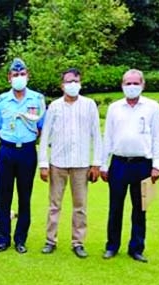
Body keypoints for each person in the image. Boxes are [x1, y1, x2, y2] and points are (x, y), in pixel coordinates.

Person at [100, 69, 159, 263]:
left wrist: (157, 164)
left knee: (140, 208)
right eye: (128, 83)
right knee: (115, 207)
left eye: (135, 83)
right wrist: (104, 164)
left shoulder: (152, 107)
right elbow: (108, 137)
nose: (131, 87)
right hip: (119, 163)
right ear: (122, 85)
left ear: (143, 85)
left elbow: (157, 136)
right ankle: (112, 246)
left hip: (143, 164)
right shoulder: (114, 108)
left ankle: (136, 248)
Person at [38, 68, 102, 258]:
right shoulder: (55, 106)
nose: (72, 84)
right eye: (68, 81)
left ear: (80, 82)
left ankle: (78, 242)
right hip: (58, 162)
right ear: (62, 85)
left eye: (75, 80)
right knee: (54, 205)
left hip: (81, 163)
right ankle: (50, 240)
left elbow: (96, 135)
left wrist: (96, 163)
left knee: (80, 206)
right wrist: (43, 163)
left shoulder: (89, 105)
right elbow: (45, 135)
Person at [0, 58, 46, 254]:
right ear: (9, 78)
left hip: (27, 152)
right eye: (15, 75)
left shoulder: (37, 100)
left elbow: (42, 129)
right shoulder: (2, 100)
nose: (19, 78)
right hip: (6, 151)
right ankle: (3, 239)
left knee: (25, 197)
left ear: (28, 76)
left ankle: (20, 239)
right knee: (4, 196)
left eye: (22, 74)